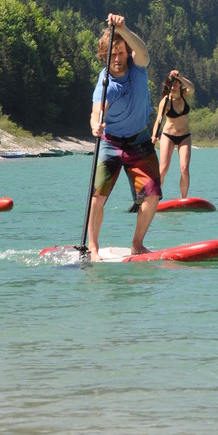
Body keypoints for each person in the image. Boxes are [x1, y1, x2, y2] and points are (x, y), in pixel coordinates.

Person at [87, 14, 161, 260]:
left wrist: (123, 29)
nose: (117, 59)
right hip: (111, 142)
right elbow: (98, 108)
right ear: (103, 56)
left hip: (139, 141)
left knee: (152, 195)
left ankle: (137, 245)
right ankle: (93, 248)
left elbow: (143, 50)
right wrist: (95, 125)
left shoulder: (138, 67)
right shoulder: (105, 81)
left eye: (121, 53)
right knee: (98, 196)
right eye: (112, 54)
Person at [152, 69, 195, 198]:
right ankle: (154, 198)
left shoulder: (185, 94)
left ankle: (183, 199)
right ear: (167, 85)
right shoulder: (165, 101)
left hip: (184, 136)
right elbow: (158, 119)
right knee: (163, 169)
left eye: (177, 83)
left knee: (184, 169)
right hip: (168, 136)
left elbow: (192, 87)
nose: (175, 86)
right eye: (173, 83)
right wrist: (154, 135)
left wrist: (179, 77)